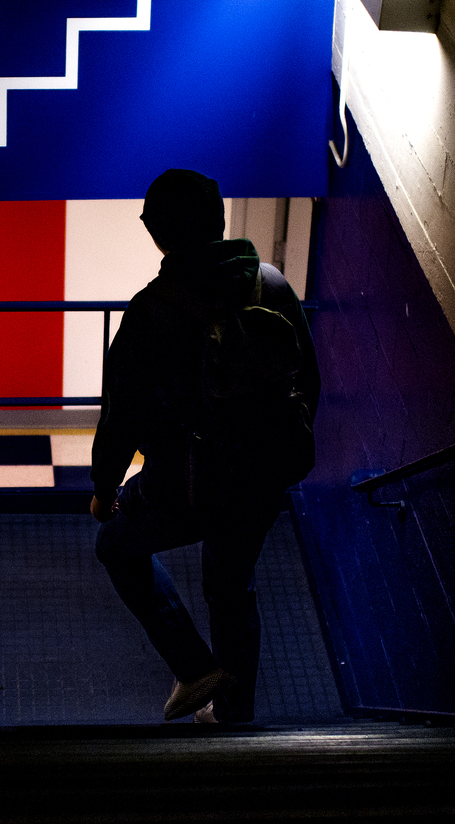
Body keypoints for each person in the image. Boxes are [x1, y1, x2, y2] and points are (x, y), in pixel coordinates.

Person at [90, 168, 319, 724]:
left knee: (117, 546)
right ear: (219, 220)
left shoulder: (150, 313)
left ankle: (195, 669)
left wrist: (103, 490)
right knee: (231, 587)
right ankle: (235, 715)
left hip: (188, 483)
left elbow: (122, 416)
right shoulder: (273, 284)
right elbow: (308, 382)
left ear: (156, 234)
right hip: (265, 476)